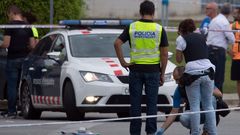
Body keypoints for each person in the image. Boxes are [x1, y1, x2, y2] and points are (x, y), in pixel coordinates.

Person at [114, 1, 169, 134]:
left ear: (140, 12)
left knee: (135, 104)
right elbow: (164, 54)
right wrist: (162, 73)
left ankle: (135, 132)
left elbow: (117, 43)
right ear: (153, 12)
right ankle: (151, 132)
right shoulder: (159, 29)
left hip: (135, 70)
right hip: (153, 71)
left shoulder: (132, 27)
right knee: (152, 104)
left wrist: (123, 62)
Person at [174, 18, 217, 135]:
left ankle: (195, 132)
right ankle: (213, 132)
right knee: (208, 105)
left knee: (194, 106)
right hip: (208, 71)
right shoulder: (202, 37)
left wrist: (180, 43)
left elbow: (178, 60)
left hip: (193, 74)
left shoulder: (181, 39)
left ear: (181, 30)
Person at [156, 66, 222, 135]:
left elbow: (219, 94)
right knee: (183, 118)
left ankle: (206, 131)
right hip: (194, 115)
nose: (176, 83)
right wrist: (161, 130)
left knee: (211, 99)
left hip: (209, 114)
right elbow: (174, 112)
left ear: (184, 76)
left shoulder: (201, 81)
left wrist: (205, 89)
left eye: (178, 80)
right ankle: (195, 129)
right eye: (175, 80)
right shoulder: (179, 89)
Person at [0, 5, 35, 118]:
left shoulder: (9, 26)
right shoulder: (28, 27)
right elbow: (32, 45)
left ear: (12, 13)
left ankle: (12, 111)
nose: (8, 17)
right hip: (24, 59)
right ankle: (23, 109)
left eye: (8, 15)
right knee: (23, 85)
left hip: (12, 59)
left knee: (12, 86)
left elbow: (6, 44)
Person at [206, 2, 235, 93]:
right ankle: (218, 103)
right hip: (218, 53)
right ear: (229, 13)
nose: (206, 10)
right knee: (218, 79)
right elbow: (232, 39)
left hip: (210, 51)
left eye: (208, 8)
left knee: (210, 77)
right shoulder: (224, 22)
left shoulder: (215, 20)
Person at [230, 7, 240, 107]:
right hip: (236, 57)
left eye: (236, 13)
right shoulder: (233, 25)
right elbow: (224, 37)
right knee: (238, 81)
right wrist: (228, 51)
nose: (235, 15)